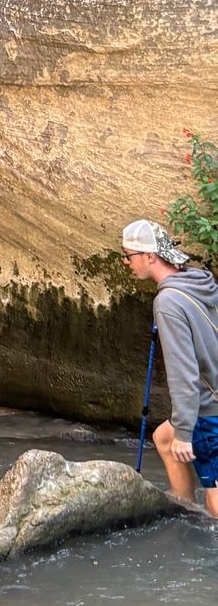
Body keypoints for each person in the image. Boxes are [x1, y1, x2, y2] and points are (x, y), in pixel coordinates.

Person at [124, 219, 218, 515]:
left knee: (214, 492)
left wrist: (186, 432)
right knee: (163, 438)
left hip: (209, 407)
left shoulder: (167, 301)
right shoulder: (198, 281)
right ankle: (185, 508)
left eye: (128, 256)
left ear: (150, 256)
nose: (127, 263)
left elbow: (184, 373)